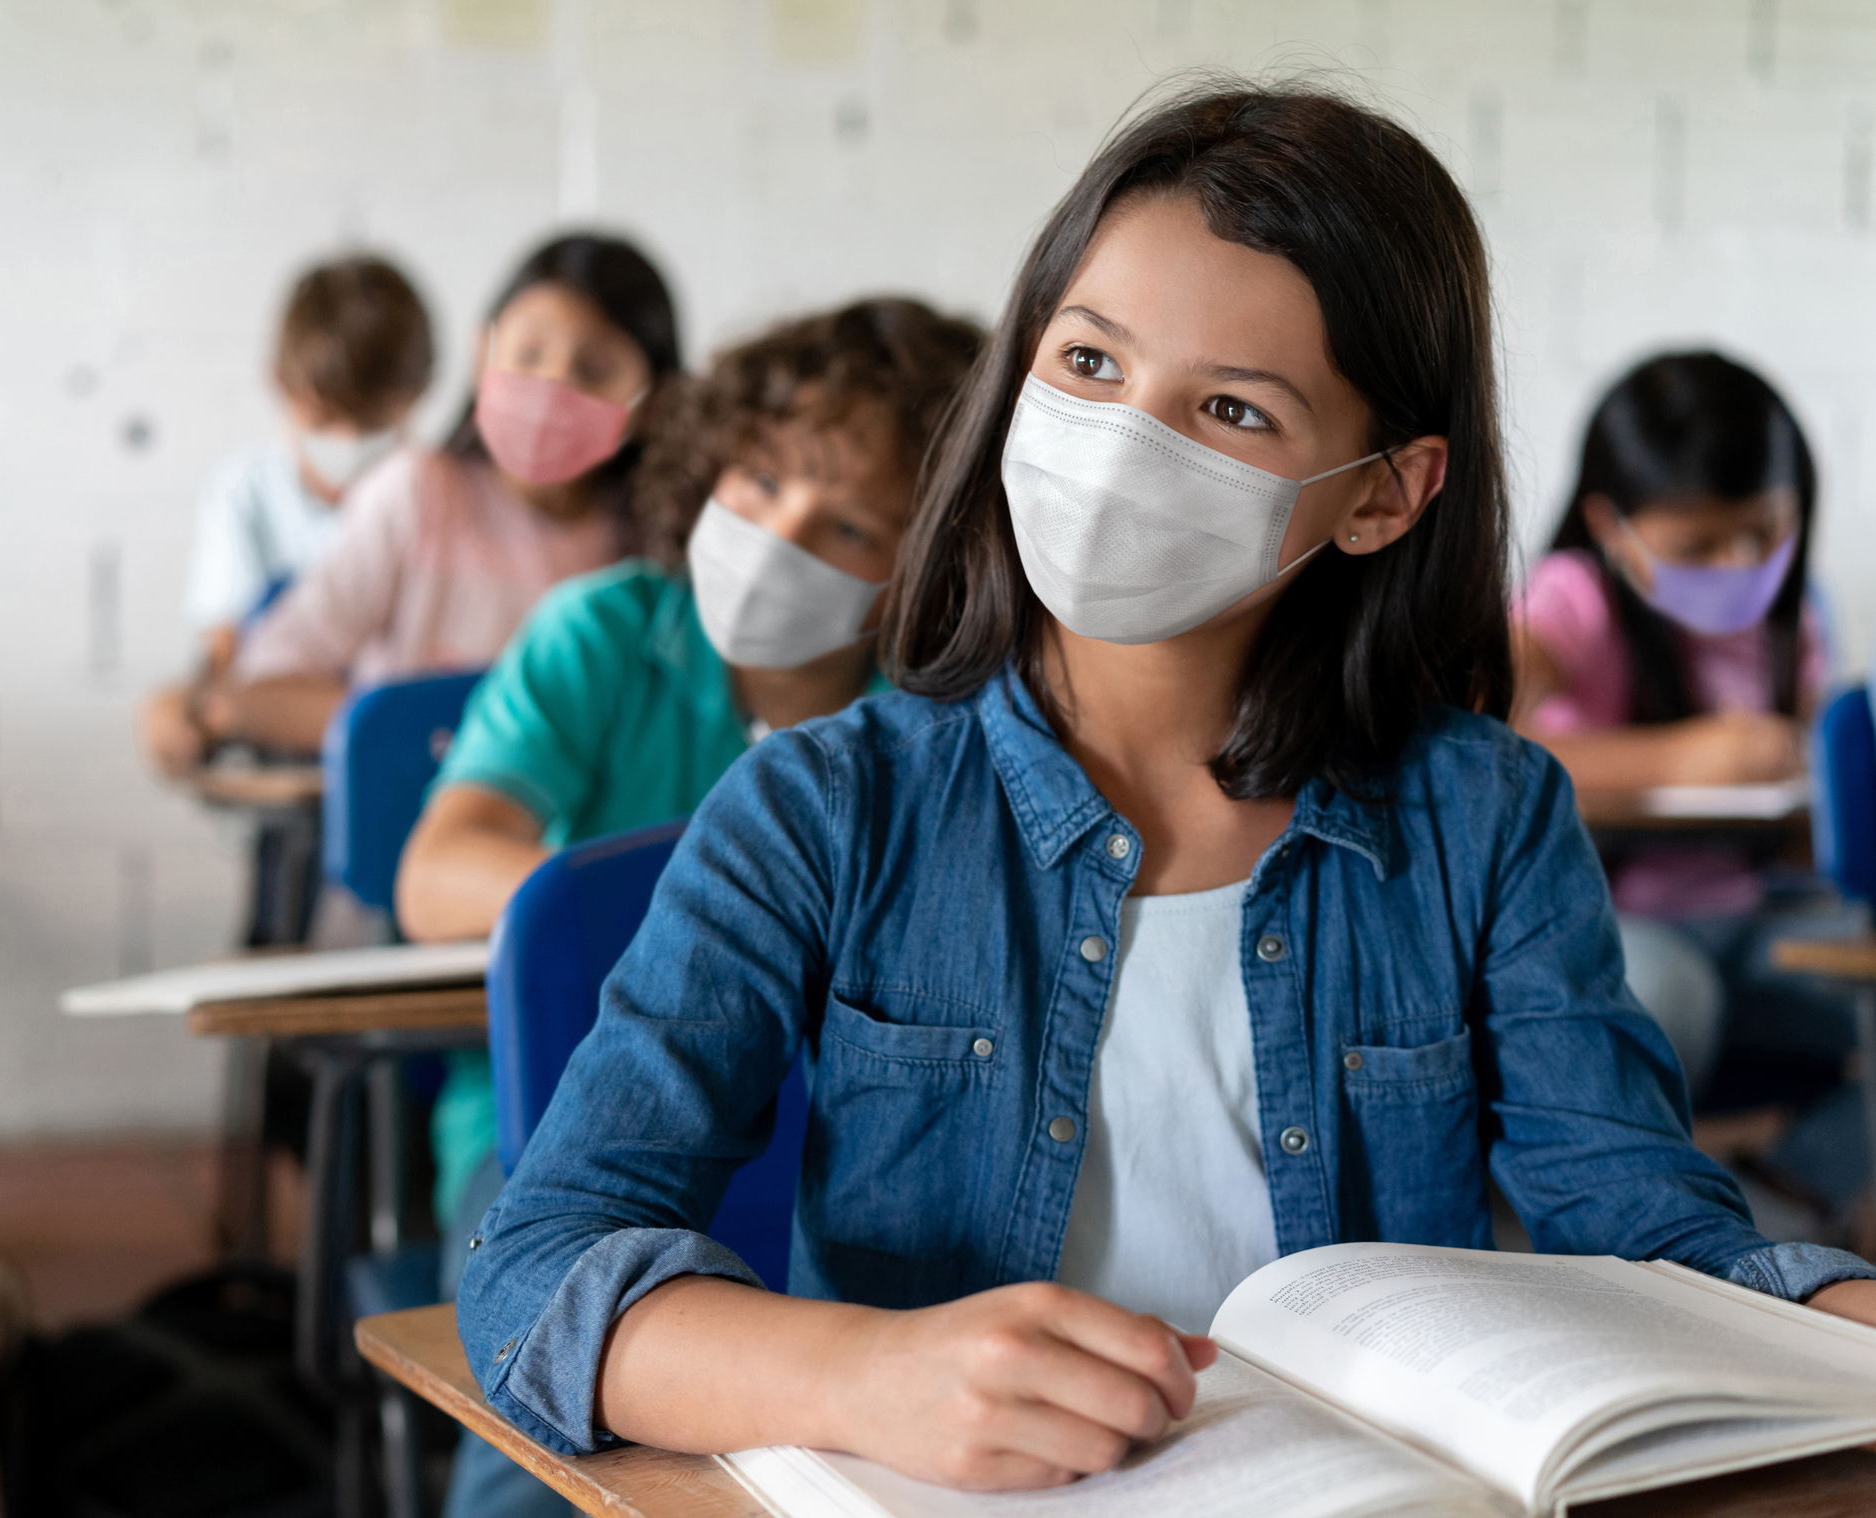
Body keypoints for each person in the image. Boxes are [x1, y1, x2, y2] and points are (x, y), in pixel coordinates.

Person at [458, 82, 1876, 1492]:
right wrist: (864, 1374)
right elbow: (538, 1271)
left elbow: (1647, 1224)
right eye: (1088, 364)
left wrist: (1821, 1312)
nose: (1127, 441)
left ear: (1383, 493)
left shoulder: (1485, 817)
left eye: (1230, 409)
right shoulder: (825, 805)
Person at [400, 298, 982, 1518]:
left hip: (855, 1150)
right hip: (546, 1128)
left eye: (849, 524)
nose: (777, 534)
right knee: (545, 1414)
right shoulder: (604, 633)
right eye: (760, 481)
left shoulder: (932, 718)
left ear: (923, 561)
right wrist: (735, 916)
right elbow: (437, 875)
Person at [1512, 354, 1862, 1209]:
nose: (1739, 563)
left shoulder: (1795, 622)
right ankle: (1636, 1200)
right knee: (1665, 996)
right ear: (1611, 525)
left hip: (1757, 914)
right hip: (1617, 919)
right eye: (1698, 545)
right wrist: (1676, 757)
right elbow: (1468, 737)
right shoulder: (1573, 601)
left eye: (1766, 533)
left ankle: (1756, 1172)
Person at [182, 233, 681, 757]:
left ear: (656, 403)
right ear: (480, 353)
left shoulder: (651, 557)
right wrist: (437, 728)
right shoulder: (418, 495)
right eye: (529, 353)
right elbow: (260, 688)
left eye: (594, 371)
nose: (552, 387)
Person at [138, 254, 434, 778]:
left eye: (370, 422)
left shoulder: (437, 499)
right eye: (323, 418)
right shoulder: (246, 493)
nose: (346, 442)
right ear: (279, 384)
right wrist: (187, 715)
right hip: (290, 775)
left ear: (417, 395)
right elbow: (227, 659)